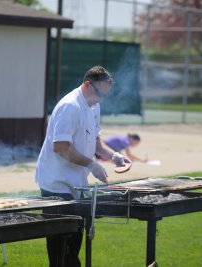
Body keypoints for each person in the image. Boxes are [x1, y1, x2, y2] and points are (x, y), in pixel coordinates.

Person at [35, 65, 130, 266]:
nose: (102, 99)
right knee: (61, 250)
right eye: (100, 93)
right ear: (88, 85)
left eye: (105, 95)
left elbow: (96, 141)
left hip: (77, 185)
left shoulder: (94, 106)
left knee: (74, 245)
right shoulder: (71, 106)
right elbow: (60, 147)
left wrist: (113, 155)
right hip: (56, 185)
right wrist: (93, 165)